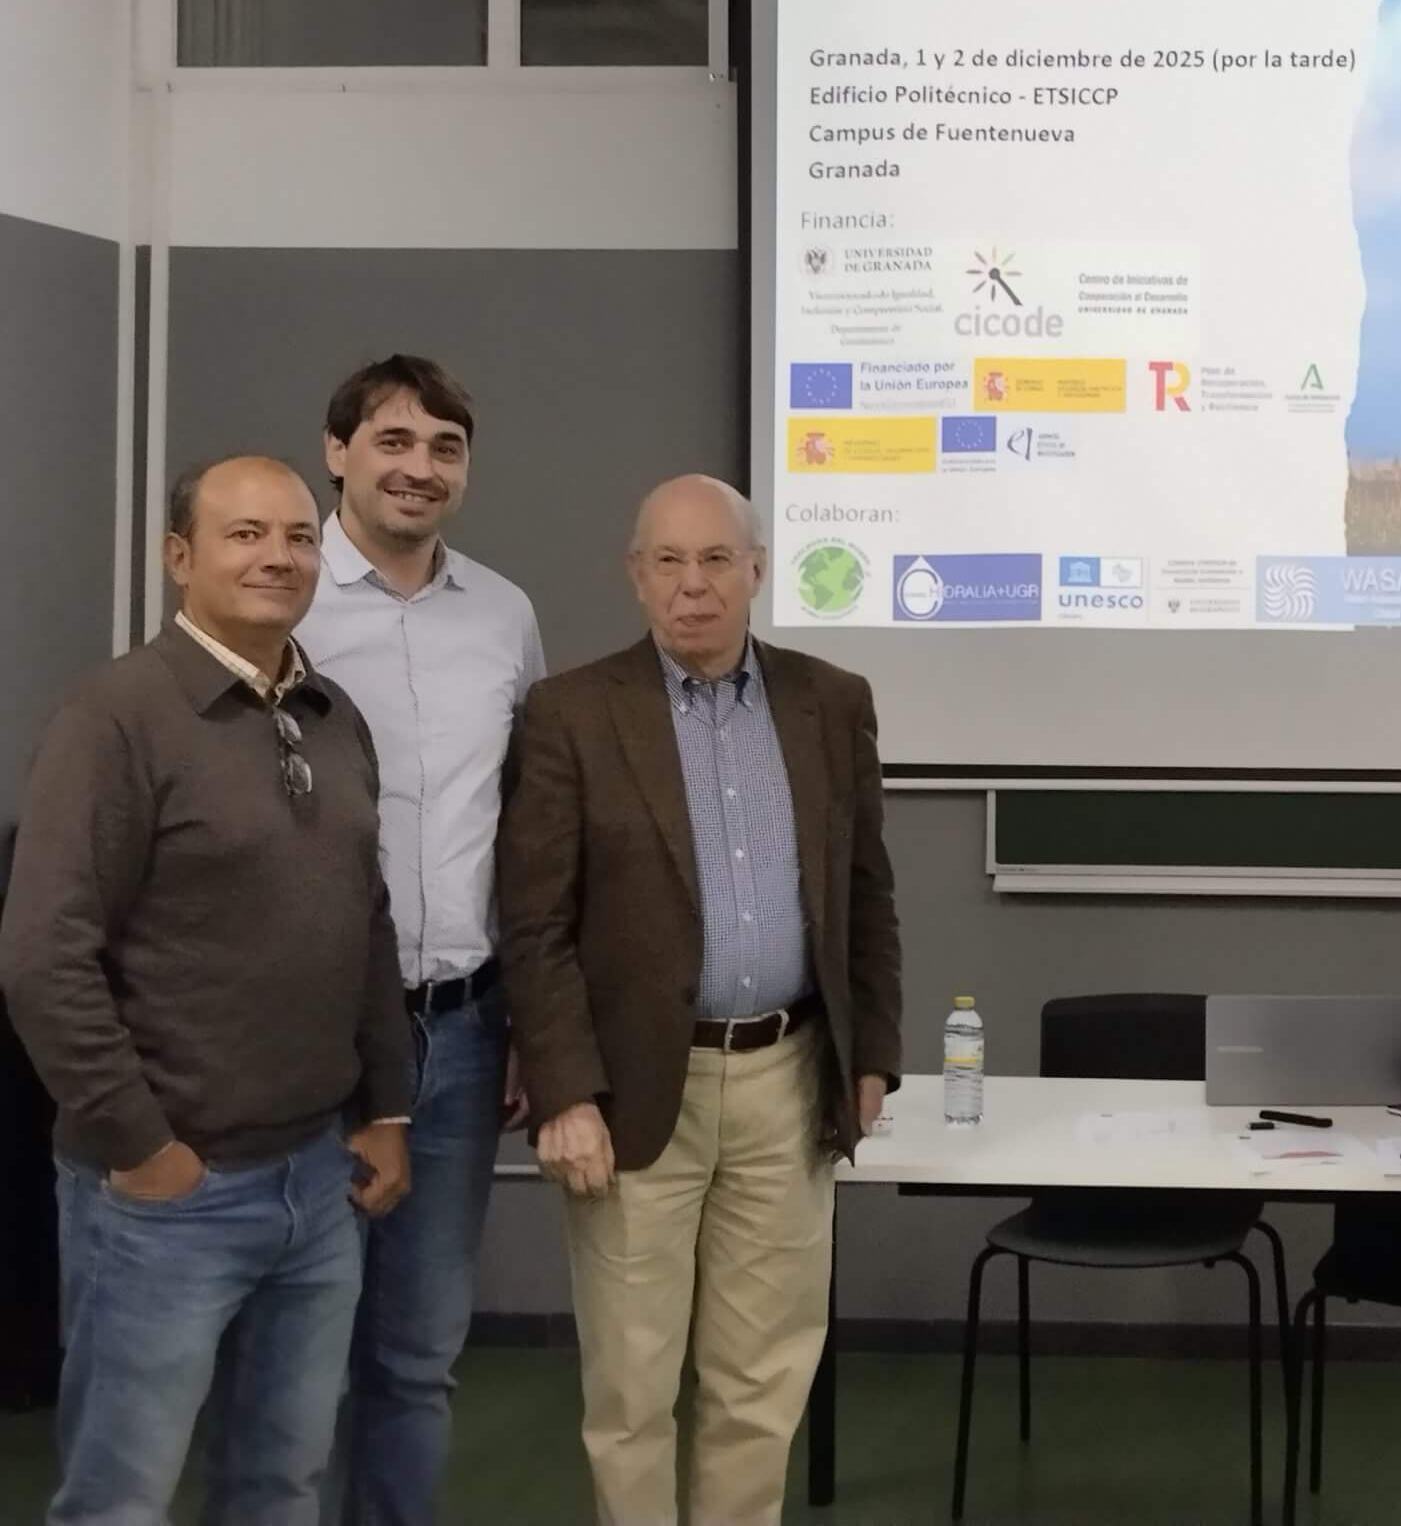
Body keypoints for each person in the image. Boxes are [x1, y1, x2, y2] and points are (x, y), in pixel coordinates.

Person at [0, 456, 412, 1525]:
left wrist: (385, 1107)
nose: (278, 555)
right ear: (180, 557)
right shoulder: (115, 719)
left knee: (278, 1488)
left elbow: (363, 926)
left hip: (318, 1187)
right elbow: (44, 955)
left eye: (297, 536)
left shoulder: (332, 715)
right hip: (162, 1197)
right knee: (120, 1500)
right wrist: (142, 1146)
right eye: (243, 535)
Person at [496, 475, 904, 1526]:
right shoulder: (572, 714)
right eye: (668, 562)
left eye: (716, 560)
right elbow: (533, 924)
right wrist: (563, 1093)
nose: (693, 587)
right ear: (636, 577)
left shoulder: (832, 702)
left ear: (757, 571)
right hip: (631, 1094)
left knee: (760, 1383)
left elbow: (866, 894)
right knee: (631, 1390)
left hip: (790, 1078)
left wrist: (872, 1060)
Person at [293, 356, 544, 1524]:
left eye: (444, 447)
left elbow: (527, 819)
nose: (419, 467)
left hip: (460, 1030)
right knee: (299, 1347)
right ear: (338, 452)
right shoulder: (278, 597)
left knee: (414, 1352)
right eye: (392, 441)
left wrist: (534, 1028)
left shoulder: (502, 614)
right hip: (304, 1037)